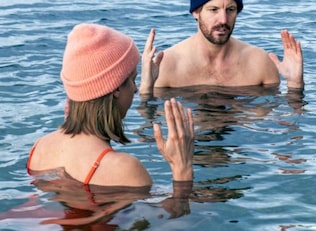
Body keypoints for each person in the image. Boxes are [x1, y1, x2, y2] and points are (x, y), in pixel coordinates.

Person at [27, 23, 195, 190]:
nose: (136, 89)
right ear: (115, 88)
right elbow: (176, 216)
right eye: (132, 80)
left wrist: (147, 87)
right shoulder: (124, 170)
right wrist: (182, 168)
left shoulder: (40, 146)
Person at [140, 0, 304, 94]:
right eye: (213, 10)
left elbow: (279, 128)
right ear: (196, 12)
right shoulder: (167, 65)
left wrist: (295, 85)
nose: (223, 20)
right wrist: (146, 88)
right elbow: (148, 129)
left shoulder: (259, 63)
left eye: (230, 10)